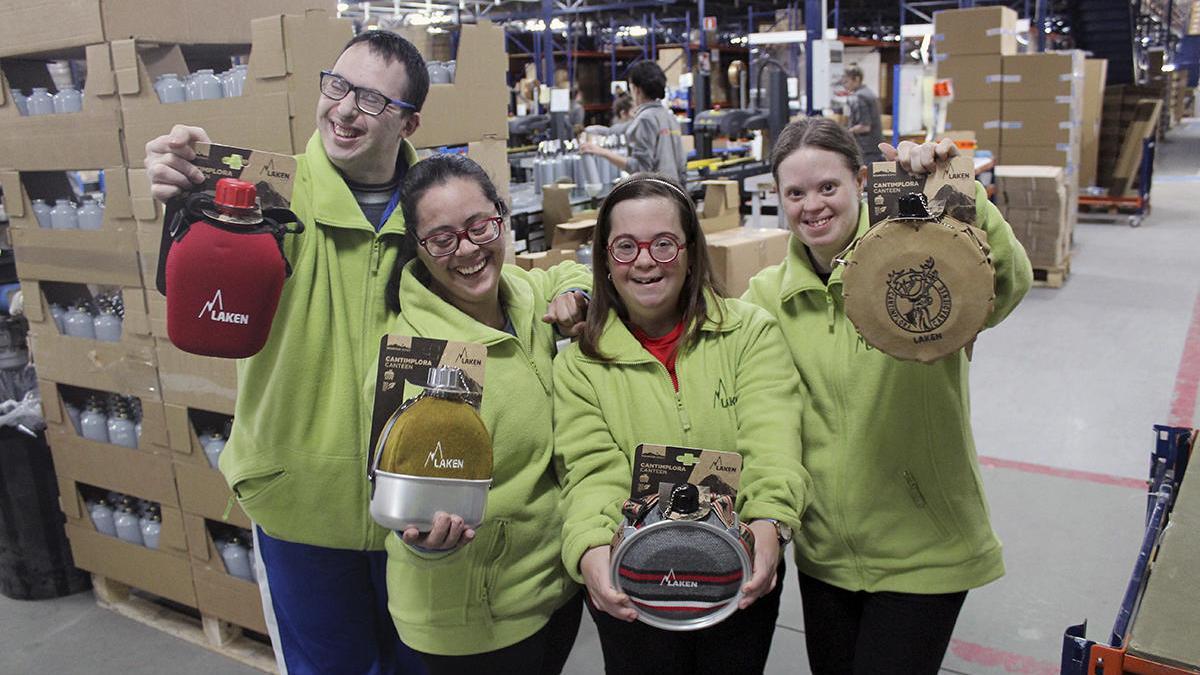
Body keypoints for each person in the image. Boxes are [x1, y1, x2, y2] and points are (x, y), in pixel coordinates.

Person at [143, 31, 585, 675]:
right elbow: (196, 282)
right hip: (301, 506)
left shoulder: (433, 212)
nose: (345, 110)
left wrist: (575, 287)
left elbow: (518, 280)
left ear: (410, 121)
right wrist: (182, 197)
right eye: (337, 87)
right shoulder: (269, 196)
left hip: (419, 503)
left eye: (372, 100)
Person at [742, 117, 1033, 674]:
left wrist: (948, 189)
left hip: (926, 548)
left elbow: (1006, 283)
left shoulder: (918, 253)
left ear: (858, 180)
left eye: (828, 187)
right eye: (795, 193)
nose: (813, 206)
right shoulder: (766, 300)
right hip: (827, 556)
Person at [553, 174, 812, 674]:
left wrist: (769, 524)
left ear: (691, 251)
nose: (645, 261)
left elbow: (773, 443)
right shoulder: (580, 366)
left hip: (733, 574)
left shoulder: (749, 334)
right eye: (625, 246)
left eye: (663, 244)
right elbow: (590, 473)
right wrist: (589, 548)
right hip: (635, 578)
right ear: (605, 259)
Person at [379, 154, 588, 674]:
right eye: (444, 239)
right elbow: (398, 493)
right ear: (420, 247)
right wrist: (425, 539)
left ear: (502, 216)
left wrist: (574, 293)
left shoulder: (522, 296)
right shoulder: (418, 352)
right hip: (471, 614)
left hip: (551, 587)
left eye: (480, 226)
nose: (469, 249)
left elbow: (568, 269)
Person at [580, 62, 686, 184]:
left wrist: (602, 152)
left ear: (637, 89)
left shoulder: (645, 119)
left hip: (655, 193)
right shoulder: (668, 116)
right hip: (673, 191)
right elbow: (682, 164)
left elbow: (640, 168)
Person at [841, 64, 884, 164]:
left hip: (866, 148)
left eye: (847, 81)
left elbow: (865, 126)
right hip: (875, 146)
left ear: (856, 79)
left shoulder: (859, 97)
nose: (845, 85)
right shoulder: (868, 92)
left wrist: (846, 132)